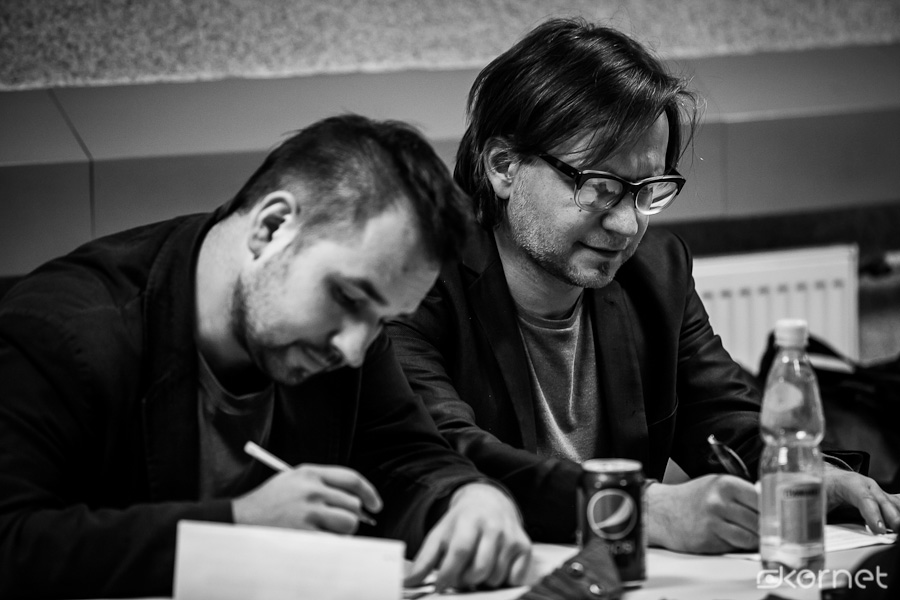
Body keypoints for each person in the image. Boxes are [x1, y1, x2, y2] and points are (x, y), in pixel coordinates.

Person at [387, 18, 900, 553]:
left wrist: (812, 472)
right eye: (599, 186)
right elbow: (446, 453)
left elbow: (724, 419)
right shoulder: (415, 284)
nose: (627, 224)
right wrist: (642, 509)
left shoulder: (657, 271)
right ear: (504, 166)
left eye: (647, 190)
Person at [0, 114, 532, 598]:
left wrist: (467, 497)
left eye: (380, 320)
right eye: (348, 298)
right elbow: (11, 541)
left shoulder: (343, 333)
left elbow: (401, 455)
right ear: (271, 228)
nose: (353, 350)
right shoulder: (63, 330)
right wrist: (236, 526)